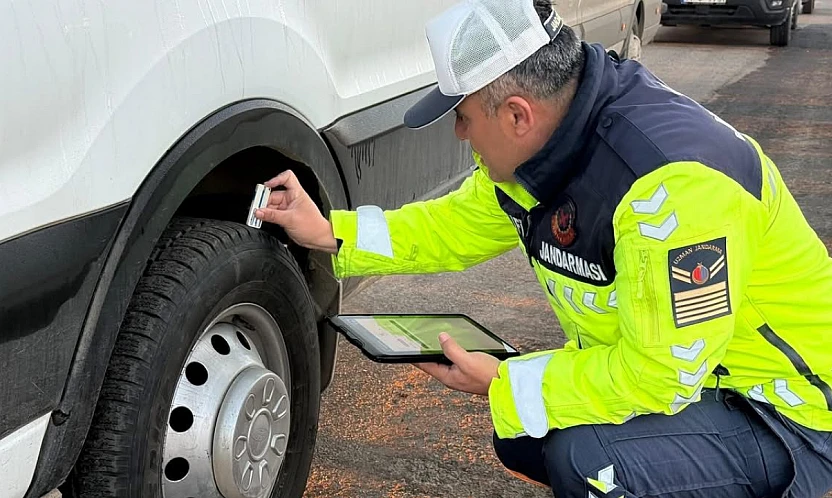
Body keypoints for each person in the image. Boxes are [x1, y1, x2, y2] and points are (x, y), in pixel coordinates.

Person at [254, 0, 832, 496]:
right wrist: (331, 230)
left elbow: (662, 374)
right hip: (704, 380)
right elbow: (451, 226)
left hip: (783, 411)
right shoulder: (538, 153)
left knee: (590, 462)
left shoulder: (670, 191)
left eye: (463, 116)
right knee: (526, 433)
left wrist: (504, 381)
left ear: (516, 114)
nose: (459, 134)